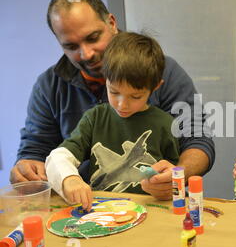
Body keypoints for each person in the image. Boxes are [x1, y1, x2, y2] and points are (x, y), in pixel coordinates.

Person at [10, 0, 215, 200]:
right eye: (71, 46)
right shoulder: (49, 87)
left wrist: (177, 175)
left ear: (112, 23)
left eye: (93, 37)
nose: (87, 54)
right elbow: (35, 151)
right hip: (84, 208)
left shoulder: (163, 72)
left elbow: (197, 140)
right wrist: (28, 170)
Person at [45, 32, 179, 210]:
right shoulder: (95, 118)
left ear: (155, 87)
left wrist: (168, 186)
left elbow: (175, 178)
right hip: (100, 214)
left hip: (150, 213)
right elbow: (58, 157)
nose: (122, 104)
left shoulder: (165, 125)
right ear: (105, 79)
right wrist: (69, 179)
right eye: (114, 92)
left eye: (136, 96)